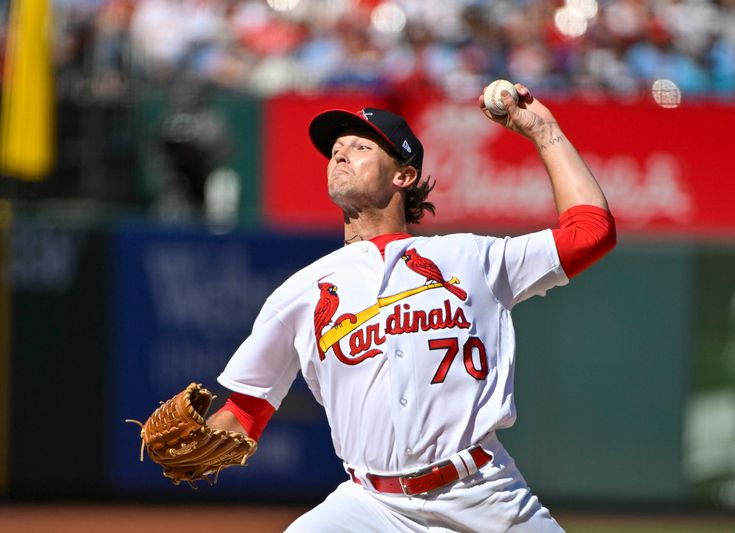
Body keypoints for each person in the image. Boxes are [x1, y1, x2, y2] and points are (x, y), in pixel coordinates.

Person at [205, 83, 616, 532]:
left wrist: (543, 130)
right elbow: (246, 410)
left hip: (482, 494)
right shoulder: (301, 292)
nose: (340, 155)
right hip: (371, 506)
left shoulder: (471, 258)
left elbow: (591, 231)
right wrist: (207, 444)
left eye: (360, 146)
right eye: (336, 150)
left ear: (404, 176)